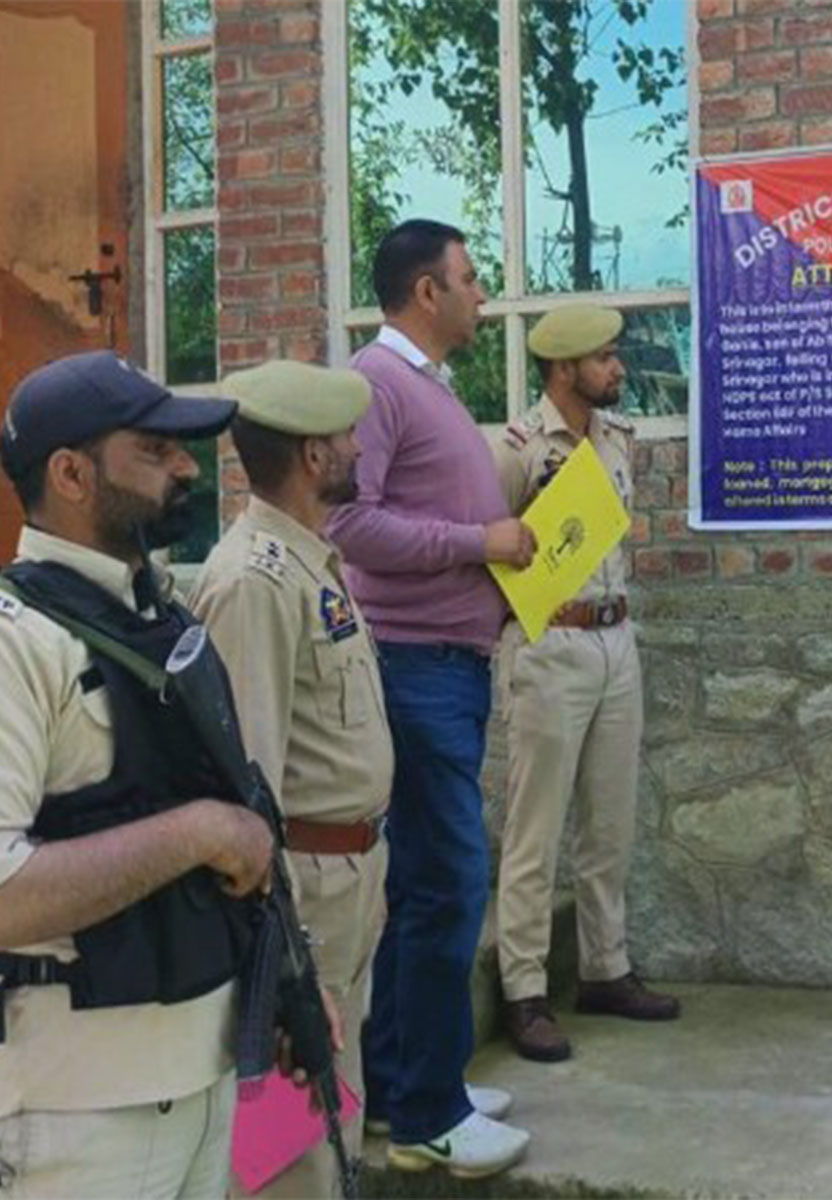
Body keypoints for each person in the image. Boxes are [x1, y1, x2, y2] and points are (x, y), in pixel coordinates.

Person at [0, 351, 273, 1196]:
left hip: (205, 1071)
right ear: (72, 473)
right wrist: (201, 834)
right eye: (154, 450)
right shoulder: (16, 641)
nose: (188, 465)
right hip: (79, 1115)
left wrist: (284, 987)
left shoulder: (160, 611)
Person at [326, 220, 533, 1178]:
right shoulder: (378, 381)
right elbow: (354, 523)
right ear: (424, 291)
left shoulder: (425, 384)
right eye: (469, 277)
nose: (482, 293)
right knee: (450, 882)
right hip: (415, 670)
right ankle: (428, 1120)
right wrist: (478, 543)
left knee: (423, 888)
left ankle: (411, 1082)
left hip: (450, 665)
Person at [188, 360, 404, 1195]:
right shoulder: (254, 582)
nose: (358, 447)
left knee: (332, 1107)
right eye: (347, 436)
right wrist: (278, 947)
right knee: (286, 1141)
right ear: (315, 456)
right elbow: (249, 785)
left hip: (348, 873)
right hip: (302, 892)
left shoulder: (310, 560)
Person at [493, 305, 679, 1063]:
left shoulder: (616, 441)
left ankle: (606, 967)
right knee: (535, 828)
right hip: (551, 642)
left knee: (610, 821)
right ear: (564, 368)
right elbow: (491, 547)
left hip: (614, 637)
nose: (619, 368)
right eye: (604, 358)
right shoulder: (516, 449)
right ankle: (524, 989)